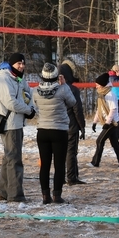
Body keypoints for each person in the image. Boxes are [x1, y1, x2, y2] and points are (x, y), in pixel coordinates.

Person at [0, 53, 36, 202]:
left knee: (9, 158)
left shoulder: (18, 78)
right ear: (11, 64)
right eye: (19, 63)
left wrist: (31, 107)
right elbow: (10, 102)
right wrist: (28, 110)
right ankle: (15, 195)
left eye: (23, 63)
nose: (22, 66)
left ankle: (4, 193)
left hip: (17, 123)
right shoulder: (3, 79)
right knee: (14, 159)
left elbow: (30, 93)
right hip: (10, 124)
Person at [33, 63, 76, 204]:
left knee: (44, 165)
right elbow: (72, 102)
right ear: (57, 76)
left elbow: (35, 107)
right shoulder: (62, 90)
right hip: (59, 130)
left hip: (43, 130)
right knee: (59, 164)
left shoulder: (35, 91)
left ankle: (45, 196)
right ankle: (57, 195)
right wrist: (64, 85)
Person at [90, 72, 119, 169]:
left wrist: (107, 123)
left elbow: (113, 109)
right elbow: (100, 110)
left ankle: (95, 162)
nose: (96, 86)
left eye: (97, 84)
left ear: (102, 85)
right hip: (109, 122)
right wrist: (95, 121)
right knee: (115, 143)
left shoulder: (110, 94)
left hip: (112, 123)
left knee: (99, 140)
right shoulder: (101, 95)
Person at [59, 60, 86, 185]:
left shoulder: (54, 88)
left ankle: (61, 177)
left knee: (60, 152)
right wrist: (82, 126)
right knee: (71, 152)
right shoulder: (73, 89)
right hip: (71, 125)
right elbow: (77, 109)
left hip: (57, 125)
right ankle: (72, 177)